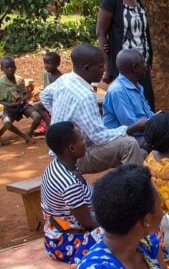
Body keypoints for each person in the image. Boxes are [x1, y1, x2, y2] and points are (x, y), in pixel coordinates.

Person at [40, 44, 147, 173]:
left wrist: (60, 114)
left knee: (140, 153)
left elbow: (44, 96)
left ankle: (122, 183)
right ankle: (136, 189)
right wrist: (132, 127)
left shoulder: (65, 79)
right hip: (75, 158)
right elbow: (99, 137)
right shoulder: (85, 96)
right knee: (129, 144)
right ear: (87, 68)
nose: (104, 70)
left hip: (60, 153)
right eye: (101, 67)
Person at [40, 121, 102, 264]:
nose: (84, 142)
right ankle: (81, 264)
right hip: (67, 241)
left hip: (56, 233)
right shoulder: (69, 183)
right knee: (124, 236)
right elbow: (88, 223)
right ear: (72, 148)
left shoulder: (59, 164)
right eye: (81, 139)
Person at [96, 0, 154, 107]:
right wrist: (107, 68)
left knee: (146, 103)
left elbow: (141, 33)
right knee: (128, 105)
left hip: (142, 65)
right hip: (124, 67)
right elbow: (101, 33)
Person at [102, 49, 154, 148]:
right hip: (124, 139)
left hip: (138, 134)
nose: (146, 66)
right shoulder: (118, 91)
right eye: (143, 62)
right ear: (135, 67)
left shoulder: (137, 86)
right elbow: (132, 126)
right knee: (166, 140)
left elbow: (147, 114)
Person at [0, 56, 48, 143]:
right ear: (2, 69)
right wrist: (10, 105)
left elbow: (25, 93)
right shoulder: (0, 83)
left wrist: (25, 96)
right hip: (10, 108)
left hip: (23, 105)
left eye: (12, 67)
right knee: (7, 123)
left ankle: (29, 133)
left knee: (37, 117)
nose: (10, 69)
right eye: (7, 67)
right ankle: (24, 136)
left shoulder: (20, 79)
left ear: (15, 67)